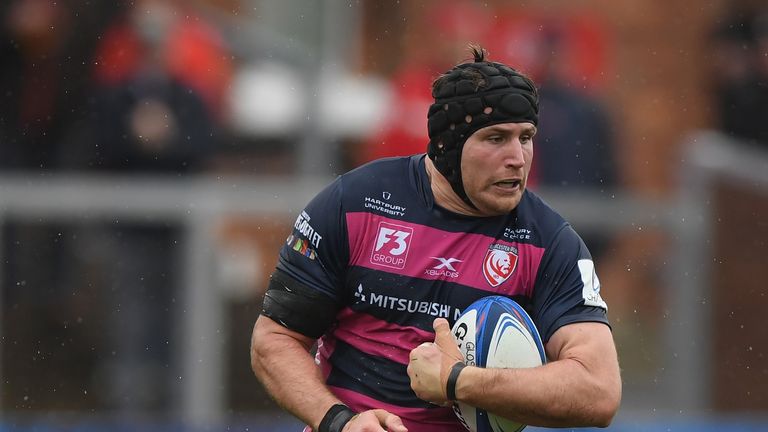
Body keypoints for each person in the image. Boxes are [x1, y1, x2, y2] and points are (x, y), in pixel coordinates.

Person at [250, 46, 621, 432]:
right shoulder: (355, 205)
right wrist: (340, 421)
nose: (518, 157)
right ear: (448, 146)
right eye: (495, 138)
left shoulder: (549, 243)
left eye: (525, 137)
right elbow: (275, 340)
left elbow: (598, 390)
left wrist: (458, 380)